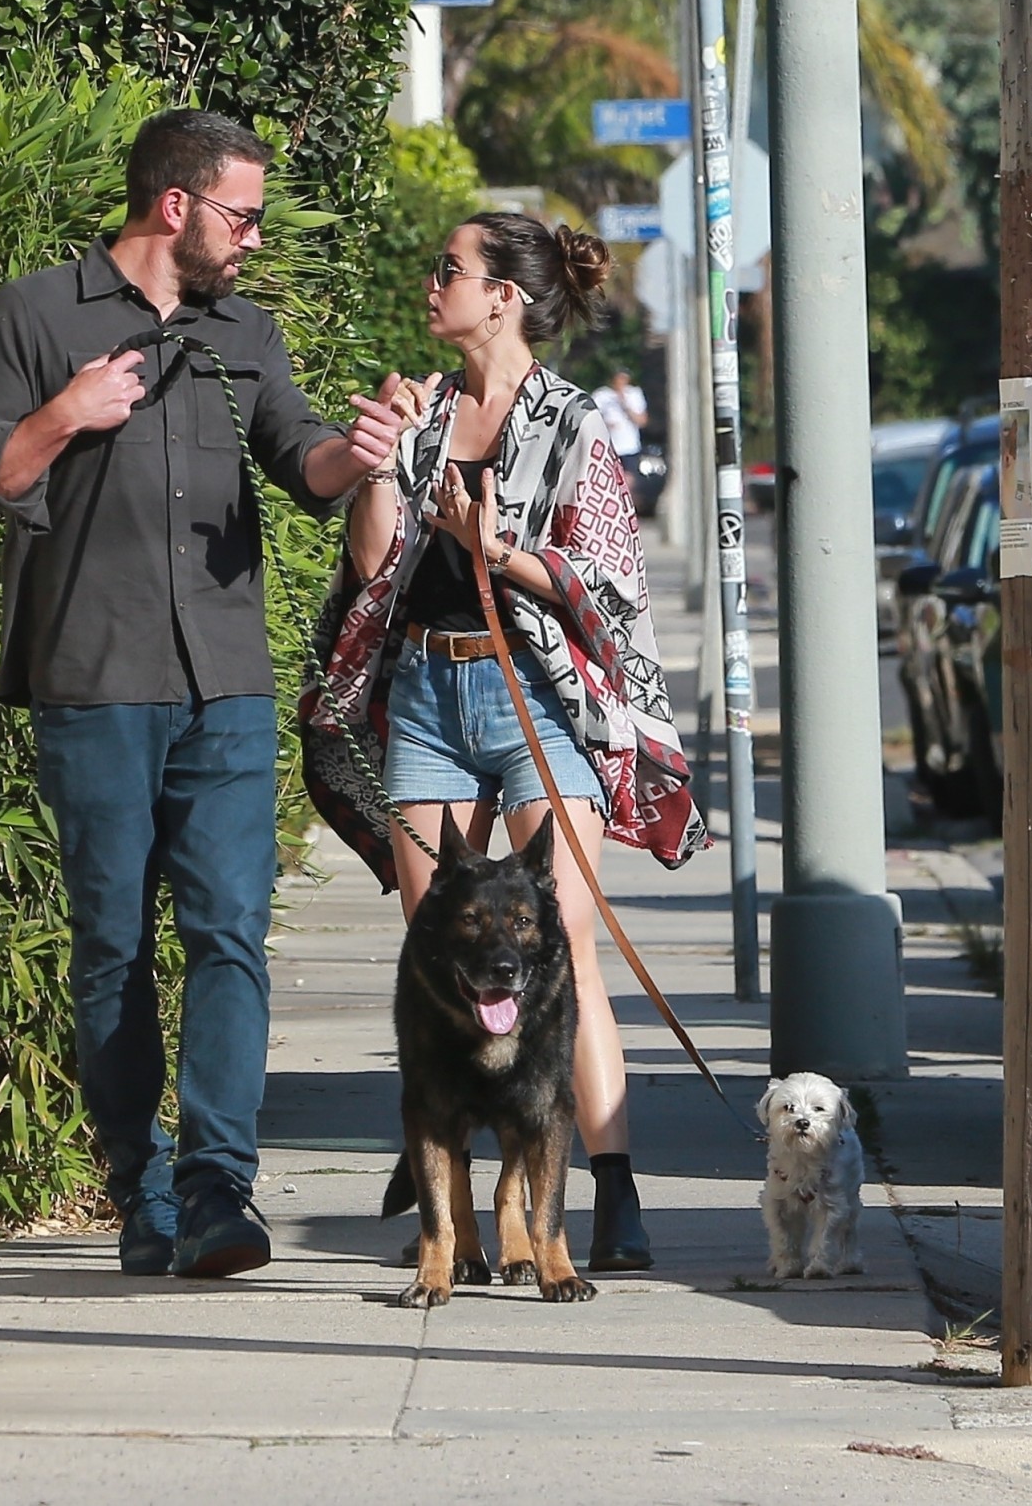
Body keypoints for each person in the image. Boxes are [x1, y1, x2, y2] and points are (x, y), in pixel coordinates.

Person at [0, 109, 410, 1280]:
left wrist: (362, 450)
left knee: (229, 935)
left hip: (226, 681)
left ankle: (219, 1192)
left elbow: (300, 459)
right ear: (174, 205)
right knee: (110, 945)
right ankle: (137, 1186)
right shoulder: (39, 316)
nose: (252, 236)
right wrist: (65, 413)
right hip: (92, 675)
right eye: (241, 215)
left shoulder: (243, 329)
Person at [301, 213, 709, 1272]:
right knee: (444, 952)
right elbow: (377, 562)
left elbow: (612, 592)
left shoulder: (574, 424)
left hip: (534, 694)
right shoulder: (427, 411)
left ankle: (603, 1193)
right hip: (430, 692)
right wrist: (382, 462)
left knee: (559, 949)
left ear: (505, 297)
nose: (432, 281)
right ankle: (459, 1216)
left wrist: (506, 552)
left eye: (451, 269)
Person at [593, 367, 648, 476]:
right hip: (608, 450)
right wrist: (605, 425)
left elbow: (642, 421)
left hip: (629, 448)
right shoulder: (601, 395)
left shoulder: (634, 394)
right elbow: (592, 419)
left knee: (629, 481)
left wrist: (625, 404)